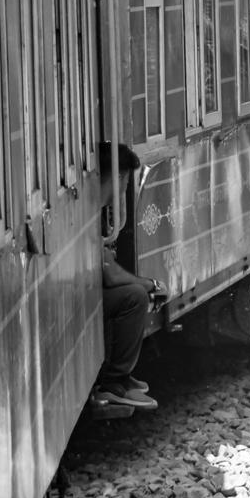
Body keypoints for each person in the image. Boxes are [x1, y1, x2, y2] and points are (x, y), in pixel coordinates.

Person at [90, 141, 165, 413]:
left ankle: (120, 376)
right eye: (125, 181)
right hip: (80, 295)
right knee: (133, 297)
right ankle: (114, 382)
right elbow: (109, 274)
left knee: (134, 292)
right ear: (119, 176)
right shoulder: (91, 208)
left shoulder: (95, 208)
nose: (125, 189)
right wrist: (148, 284)